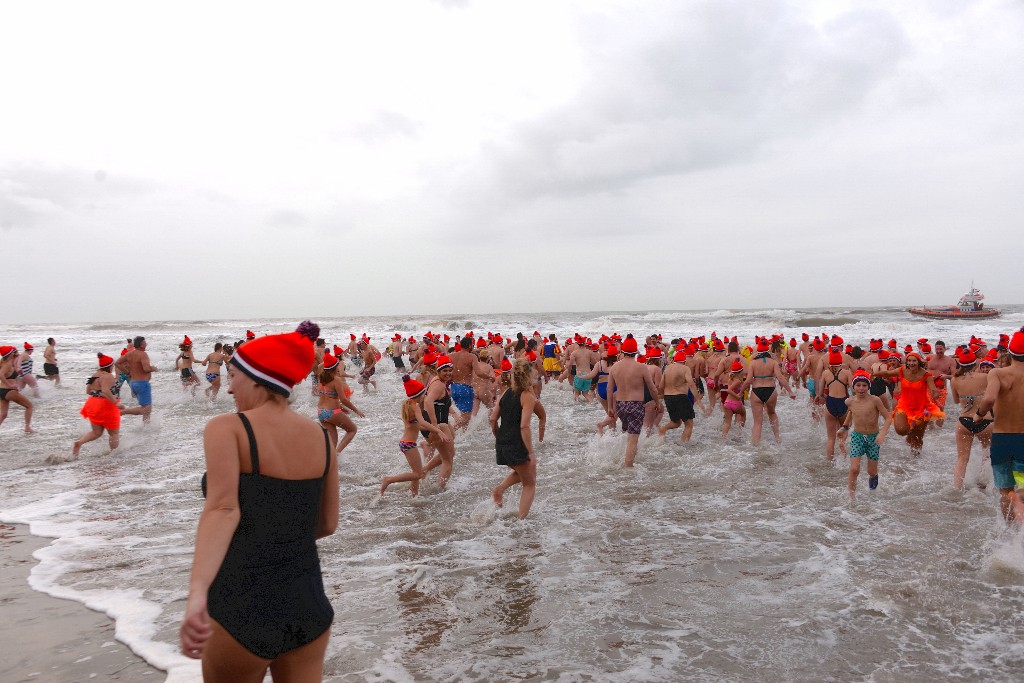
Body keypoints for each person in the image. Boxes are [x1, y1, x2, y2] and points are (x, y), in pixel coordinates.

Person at [180, 321, 338, 681]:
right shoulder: (320, 437)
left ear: (255, 377)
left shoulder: (228, 427)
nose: (230, 386)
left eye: (234, 375)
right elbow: (328, 523)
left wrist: (196, 594)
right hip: (308, 603)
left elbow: (222, 509)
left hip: (241, 604)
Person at [974, 329, 1024, 521]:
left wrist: (979, 415)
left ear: (1010, 353)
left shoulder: (997, 373)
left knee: (1005, 490)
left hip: (1002, 439)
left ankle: (1009, 534)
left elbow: (989, 398)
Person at [490, 358, 546, 519]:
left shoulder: (506, 392)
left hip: (502, 442)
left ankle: (499, 489)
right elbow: (524, 426)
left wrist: (499, 437)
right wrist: (531, 453)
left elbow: (493, 419)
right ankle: (522, 522)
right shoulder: (528, 395)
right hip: (516, 442)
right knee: (529, 483)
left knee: (523, 471)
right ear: (529, 376)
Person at [381, 375, 449, 497]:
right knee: (418, 474)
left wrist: (434, 429)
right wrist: (438, 431)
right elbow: (423, 423)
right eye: (423, 394)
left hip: (405, 443)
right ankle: (389, 479)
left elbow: (417, 426)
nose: (424, 397)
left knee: (416, 472)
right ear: (418, 395)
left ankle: (414, 495)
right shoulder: (415, 407)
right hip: (409, 444)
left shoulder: (407, 405)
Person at [874, 351, 943, 457]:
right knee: (901, 430)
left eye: (914, 361)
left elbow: (933, 389)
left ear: (919, 362)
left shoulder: (926, 375)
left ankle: (915, 462)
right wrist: (873, 374)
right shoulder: (902, 371)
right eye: (909, 361)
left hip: (922, 408)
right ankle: (910, 432)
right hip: (904, 406)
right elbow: (887, 373)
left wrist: (936, 395)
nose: (911, 363)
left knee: (918, 438)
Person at [606, 336, 660, 467]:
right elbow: (652, 388)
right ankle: (628, 467)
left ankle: (623, 458)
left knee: (627, 434)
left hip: (620, 404)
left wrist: (610, 408)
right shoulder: (641, 367)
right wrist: (657, 402)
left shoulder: (614, 367)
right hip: (635, 404)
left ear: (622, 352)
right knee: (633, 438)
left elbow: (609, 388)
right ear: (636, 352)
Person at [840, 370, 892, 495]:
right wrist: (844, 427)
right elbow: (852, 413)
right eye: (858, 385)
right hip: (857, 437)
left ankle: (872, 493)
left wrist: (882, 433)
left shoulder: (875, 400)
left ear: (869, 386)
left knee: (872, 472)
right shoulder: (850, 401)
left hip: (873, 438)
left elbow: (889, 418)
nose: (861, 388)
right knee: (854, 469)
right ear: (853, 386)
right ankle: (851, 497)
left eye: (864, 385)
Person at [950, 347, 992, 490]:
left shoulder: (954, 380)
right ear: (975, 364)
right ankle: (984, 483)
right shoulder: (986, 377)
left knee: (962, 460)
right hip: (985, 421)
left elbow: (956, 401)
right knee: (987, 454)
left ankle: (956, 489)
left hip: (964, 422)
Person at [743, 340, 796, 446]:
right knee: (772, 414)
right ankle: (778, 440)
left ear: (757, 351)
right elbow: (780, 377)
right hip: (770, 390)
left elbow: (748, 380)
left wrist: (740, 391)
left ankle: (756, 446)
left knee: (758, 422)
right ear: (768, 350)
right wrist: (790, 391)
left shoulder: (753, 363)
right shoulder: (773, 362)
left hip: (756, 391)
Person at [73, 353, 121, 456]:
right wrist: (116, 403)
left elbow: (88, 391)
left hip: (91, 404)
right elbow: (105, 391)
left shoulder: (93, 375)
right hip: (105, 405)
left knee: (96, 433)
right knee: (114, 433)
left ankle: (79, 442)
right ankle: (114, 455)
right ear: (109, 366)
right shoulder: (108, 376)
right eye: (112, 365)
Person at [316, 353, 365, 453]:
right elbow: (343, 399)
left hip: (321, 412)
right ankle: (336, 455)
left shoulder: (322, 378)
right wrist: (356, 410)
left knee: (333, 440)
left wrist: (341, 408)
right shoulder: (336, 380)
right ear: (335, 367)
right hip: (332, 413)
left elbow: (326, 396)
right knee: (352, 430)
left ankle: (329, 461)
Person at [422, 355, 457, 487]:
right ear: (438, 371)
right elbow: (428, 401)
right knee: (448, 460)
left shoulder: (436, 381)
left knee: (449, 454)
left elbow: (438, 404)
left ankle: (424, 470)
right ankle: (439, 490)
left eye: (450, 370)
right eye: (445, 371)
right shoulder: (438, 385)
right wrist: (435, 426)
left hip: (435, 424)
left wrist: (452, 415)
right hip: (436, 425)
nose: (448, 373)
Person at [659, 350, 705, 443]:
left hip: (668, 397)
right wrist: (698, 400)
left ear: (674, 360)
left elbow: (661, 386)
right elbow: (691, 385)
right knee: (689, 424)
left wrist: (659, 398)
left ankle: (663, 429)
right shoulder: (685, 368)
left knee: (676, 422)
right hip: (680, 397)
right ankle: (684, 445)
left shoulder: (667, 368)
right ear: (684, 361)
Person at [115, 336, 158, 423]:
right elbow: (146, 369)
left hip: (133, 383)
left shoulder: (130, 354)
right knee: (146, 409)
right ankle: (123, 412)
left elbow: (117, 363)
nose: (146, 344)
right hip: (142, 384)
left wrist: (128, 373)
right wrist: (153, 368)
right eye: (145, 343)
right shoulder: (143, 354)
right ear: (141, 345)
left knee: (146, 409)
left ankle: (146, 428)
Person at [818, 351, 852, 460]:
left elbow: (820, 391)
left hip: (830, 403)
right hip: (843, 402)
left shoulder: (825, 373)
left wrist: (820, 396)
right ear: (840, 360)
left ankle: (829, 462)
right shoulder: (846, 373)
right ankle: (842, 444)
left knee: (830, 438)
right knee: (845, 429)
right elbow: (853, 390)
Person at [0, 345, 34, 432]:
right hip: (9, 391)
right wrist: (9, 385)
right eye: (13, 352)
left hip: (2, 391)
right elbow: (1, 374)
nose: (14, 353)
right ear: (10, 354)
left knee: (3, 414)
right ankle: (27, 427)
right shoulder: (7, 364)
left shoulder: (5, 363)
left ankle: (27, 427)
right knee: (29, 406)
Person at [450, 337, 477, 430]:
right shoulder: (472, 356)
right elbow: (478, 372)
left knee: (463, 415)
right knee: (466, 417)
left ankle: (463, 437)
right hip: (465, 388)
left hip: (453, 387)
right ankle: (450, 432)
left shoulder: (451, 355)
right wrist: (490, 377)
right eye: (472, 344)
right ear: (469, 345)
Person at [721, 359, 746, 438]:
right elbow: (728, 390)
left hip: (727, 403)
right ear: (740, 372)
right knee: (743, 414)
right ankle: (740, 433)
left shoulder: (730, 379)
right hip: (736, 403)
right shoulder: (737, 381)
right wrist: (737, 396)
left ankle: (723, 437)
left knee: (727, 423)